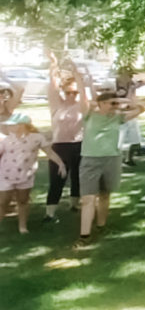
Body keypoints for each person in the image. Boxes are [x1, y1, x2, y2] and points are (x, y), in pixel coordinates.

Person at [74, 65, 145, 249]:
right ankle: (84, 235)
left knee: (105, 194)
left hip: (112, 159)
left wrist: (122, 102)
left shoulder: (118, 118)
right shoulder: (89, 115)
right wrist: (78, 76)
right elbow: (82, 96)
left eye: (114, 103)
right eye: (109, 103)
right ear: (100, 104)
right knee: (88, 198)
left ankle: (101, 226)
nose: (113, 106)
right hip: (91, 159)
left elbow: (141, 109)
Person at [0, 114, 66, 234]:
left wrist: (60, 163)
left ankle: (23, 227)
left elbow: (49, 152)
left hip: (26, 175)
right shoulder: (6, 140)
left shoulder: (37, 138)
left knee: (23, 201)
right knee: (3, 202)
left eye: (12, 125)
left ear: (22, 125)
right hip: (6, 175)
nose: (8, 127)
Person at [44, 53, 83, 222]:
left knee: (77, 177)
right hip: (60, 146)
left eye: (75, 92)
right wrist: (54, 64)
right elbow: (52, 86)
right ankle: (50, 213)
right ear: (64, 92)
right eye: (68, 93)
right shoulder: (57, 104)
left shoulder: (82, 105)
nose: (72, 95)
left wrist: (77, 72)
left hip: (79, 145)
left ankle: (74, 204)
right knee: (57, 179)